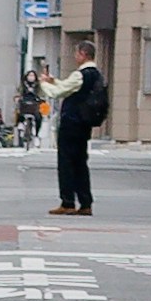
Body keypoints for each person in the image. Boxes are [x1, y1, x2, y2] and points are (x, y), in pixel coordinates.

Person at [52, 52, 108, 216]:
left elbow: (59, 91)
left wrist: (44, 83)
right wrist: (54, 81)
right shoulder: (98, 75)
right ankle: (85, 203)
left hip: (71, 123)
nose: (75, 56)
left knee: (66, 162)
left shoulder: (80, 75)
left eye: (77, 53)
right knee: (81, 163)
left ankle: (67, 201)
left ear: (83, 55)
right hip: (85, 124)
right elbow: (66, 86)